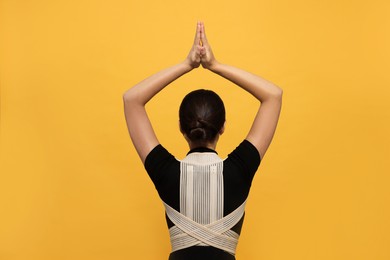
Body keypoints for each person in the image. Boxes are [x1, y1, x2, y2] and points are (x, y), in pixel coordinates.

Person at [123, 22, 283, 260]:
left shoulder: (166, 172)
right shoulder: (239, 170)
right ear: (223, 127)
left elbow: (131, 100)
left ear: (181, 128)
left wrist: (187, 65)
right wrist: (214, 65)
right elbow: (273, 95)